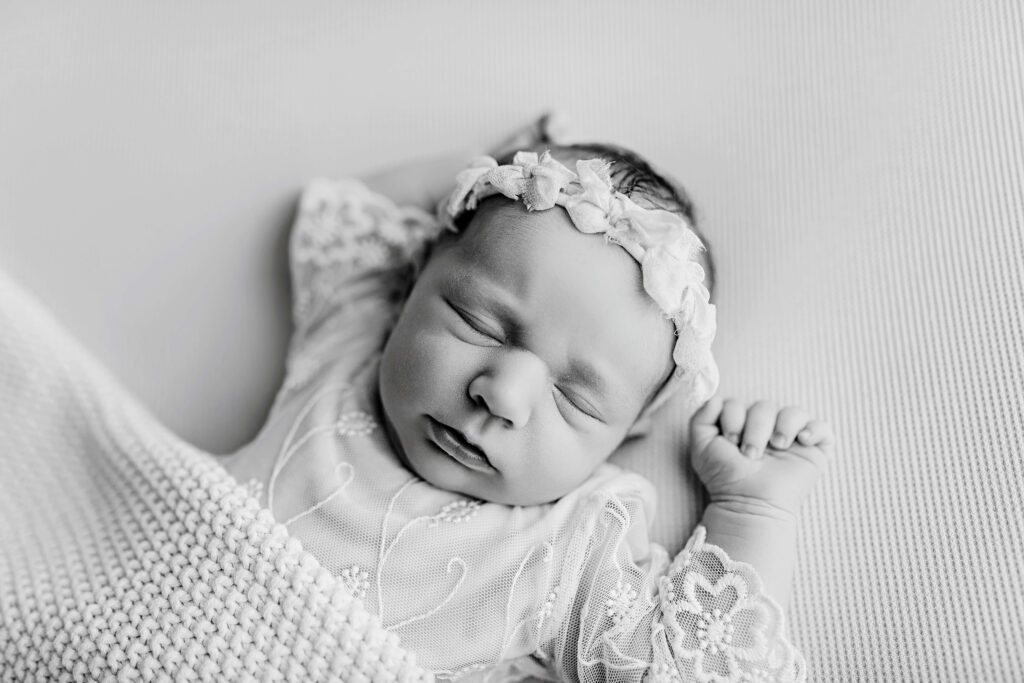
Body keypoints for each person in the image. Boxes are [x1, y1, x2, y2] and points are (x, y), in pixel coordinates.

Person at [221, 120, 834, 682]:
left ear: (631, 430)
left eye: (575, 399)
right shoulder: (355, 336)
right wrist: (497, 167)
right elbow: (348, 212)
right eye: (478, 323)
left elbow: (689, 673)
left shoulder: (567, 547)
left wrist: (752, 511)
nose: (503, 395)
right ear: (414, 281)